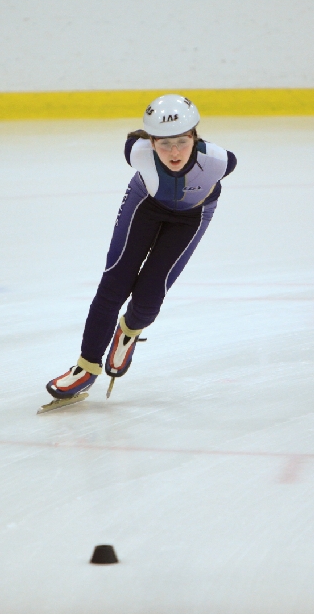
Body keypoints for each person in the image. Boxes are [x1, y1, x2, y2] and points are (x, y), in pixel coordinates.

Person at [45, 94, 238, 402]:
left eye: (182, 142)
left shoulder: (220, 161)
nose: (174, 152)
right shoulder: (137, 153)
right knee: (114, 285)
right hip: (144, 205)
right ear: (151, 141)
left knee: (149, 298)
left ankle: (128, 333)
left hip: (191, 217)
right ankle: (85, 368)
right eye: (164, 144)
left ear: (195, 136)